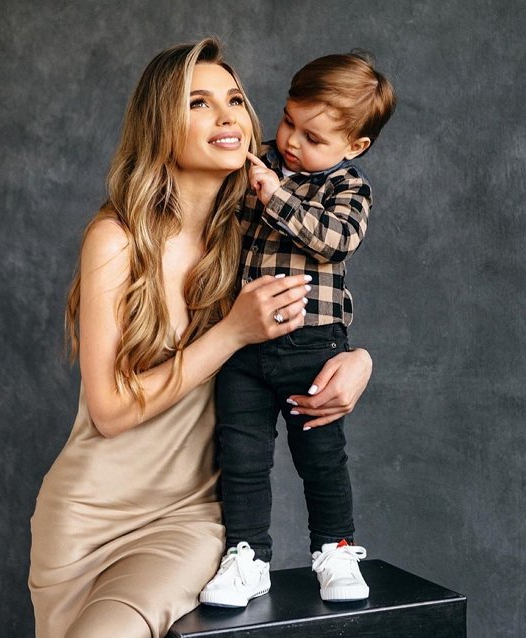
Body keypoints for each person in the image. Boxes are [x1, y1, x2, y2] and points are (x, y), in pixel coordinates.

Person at [29, 38, 373, 638]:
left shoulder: (250, 239)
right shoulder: (116, 239)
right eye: (198, 103)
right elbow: (109, 411)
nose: (227, 116)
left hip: (191, 516)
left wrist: (360, 358)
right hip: (86, 513)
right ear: (161, 126)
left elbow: (320, 301)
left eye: (235, 100)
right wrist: (233, 332)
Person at [200, 52, 396, 607]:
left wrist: (274, 195)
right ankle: (248, 556)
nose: (290, 141)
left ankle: (335, 549)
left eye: (313, 137)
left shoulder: (348, 187)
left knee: (321, 457)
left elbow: (335, 241)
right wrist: (248, 186)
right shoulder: (258, 162)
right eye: (288, 120)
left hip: (312, 344)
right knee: (241, 456)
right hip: (242, 342)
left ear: (355, 146)